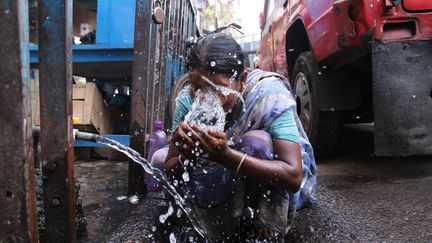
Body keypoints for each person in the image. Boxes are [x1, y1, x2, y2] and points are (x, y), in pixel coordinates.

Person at [158, 30, 317, 241]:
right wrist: (187, 157)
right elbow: (170, 167)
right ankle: (215, 223)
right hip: (221, 185)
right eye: (197, 87)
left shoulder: (267, 94)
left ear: (241, 80)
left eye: (218, 89)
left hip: (270, 186)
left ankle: (261, 224)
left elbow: (293, 175)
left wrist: (226, 156)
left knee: (256, 142)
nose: (205, 99)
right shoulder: (188, 102)